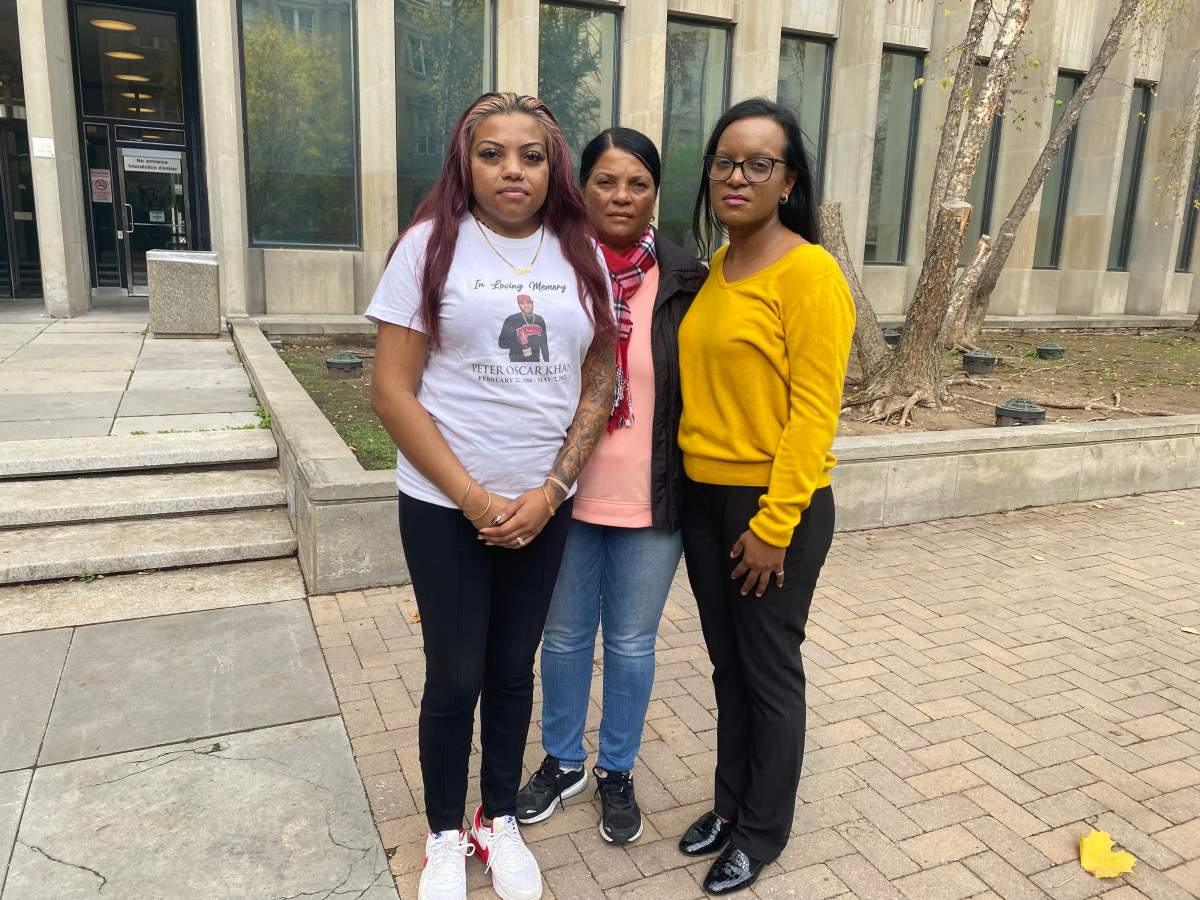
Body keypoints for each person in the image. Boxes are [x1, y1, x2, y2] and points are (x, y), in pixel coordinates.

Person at [367, 91, 616, 900]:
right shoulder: (429, 246)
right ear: (465, 163)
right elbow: (391, 391)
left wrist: (551, 490)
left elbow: (598, 377)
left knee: (513, 668)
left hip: (544, 505)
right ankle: (444, 833)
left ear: (554, 169)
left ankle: (497, 818)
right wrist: (475, 500)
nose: (513, 169)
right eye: (493, 153)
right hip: (445, 507)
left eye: (532, 155)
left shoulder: (580, 254)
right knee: (455, 674)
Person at [674, 98, 855, 895]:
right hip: (703, 499)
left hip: (772, 508)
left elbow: (815, 412)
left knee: (769, 668)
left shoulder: (809, 272)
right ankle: (729, 802)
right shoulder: (717, 268)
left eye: (759, 164)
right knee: (727, 666)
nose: (737, 176)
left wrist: (775, 524)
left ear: (789, 181)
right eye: (724, 161)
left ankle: (760, 833)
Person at [515, 128, 707, 844]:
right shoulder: (546, 268)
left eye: (637, 183)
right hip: (560, 493)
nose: (621, 195)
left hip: (652, 497)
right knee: (563, 639)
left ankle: (616, 769)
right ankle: (564, 761)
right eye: (606, 181)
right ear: (581, 187)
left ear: (655, 192)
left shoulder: (689, 279)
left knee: (630, 642)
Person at [499, 294, 550, 361]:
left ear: (532, 304)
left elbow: (544, 344)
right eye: (522, 303)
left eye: (529, 303)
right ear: (519, 305)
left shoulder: (539, 319)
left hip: (535, 363)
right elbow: (502, 344)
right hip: (516, 365)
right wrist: (518, 341)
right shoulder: (511, 319)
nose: (527, 306)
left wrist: (547, 362)